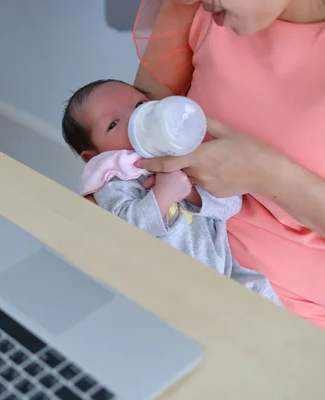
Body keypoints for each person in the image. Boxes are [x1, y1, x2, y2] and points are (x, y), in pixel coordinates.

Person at [132, 0, 325, 327]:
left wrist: (267, 174)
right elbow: (135, 133)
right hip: (167, 248)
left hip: (281, 307)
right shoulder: (197, 8)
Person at [61, 79, 282, 304]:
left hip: (222, 272)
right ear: (93, 156)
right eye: (113, 123)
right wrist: (164, 195)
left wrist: (190, 194)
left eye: (139, 106)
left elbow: (230, 205)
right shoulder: (115, 179)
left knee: (260, 291)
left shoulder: (182, 153)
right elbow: (125, 231)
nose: (134, 120)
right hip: (167, 283)